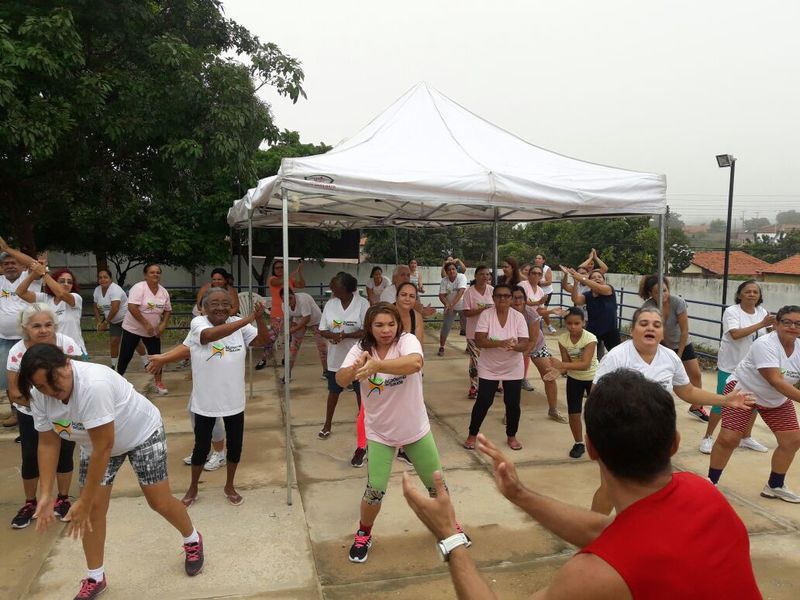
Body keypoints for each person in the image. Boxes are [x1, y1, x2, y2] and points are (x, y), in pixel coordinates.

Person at [402, 369, 761, 599]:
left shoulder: (596, 575)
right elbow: (612, 531)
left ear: (590, 448)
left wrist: (449, 535)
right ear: (675, 443)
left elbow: (617, 544)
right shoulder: (702, 492)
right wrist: (519, 494)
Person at [19, 344, 204, 598]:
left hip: (141, 434)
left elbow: (104, 447)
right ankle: (95, 577)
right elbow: (49, 442)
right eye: (41, 386)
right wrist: (45, 494)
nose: (51, 392)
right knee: (93, 511)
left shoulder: (94, 385)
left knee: (158, 501)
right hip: (93, 443)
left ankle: (192, 538)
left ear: (67, 363)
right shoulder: (39, 395)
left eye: (54, 380)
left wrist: (83, 500)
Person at [592, 306, 754, 513]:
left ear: (662, 333)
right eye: (643, 324)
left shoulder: (670, 358)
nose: (650, 328)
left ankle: (634, 532)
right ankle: (596, 534)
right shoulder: (617, 357)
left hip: (655, 433)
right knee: (611, 488)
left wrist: (725, 400)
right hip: (618, 431)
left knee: (649, 488)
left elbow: (687, 391)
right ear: (632, 330)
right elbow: (597, 396)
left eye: (656, 325)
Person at [337, 302, 464, 563]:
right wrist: (356, 368)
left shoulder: (406, 341)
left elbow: (415, 364)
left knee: (436, 486)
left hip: (415, 430)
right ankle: (364, 532)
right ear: (369, 327)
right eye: (379, 325)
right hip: (380, 433)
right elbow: (340, 379)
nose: (386, 330)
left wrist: (377, 366)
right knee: (375, 490)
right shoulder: (360, 349)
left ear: (399, 325)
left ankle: (448, 525)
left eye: (391, 324)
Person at [149, 289, 269, 506]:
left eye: (226, 303)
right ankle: (193, 487)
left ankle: (230, 486)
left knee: (235, 448)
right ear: (203, 307)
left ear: (232, 306)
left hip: (234, 402)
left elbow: (262, 340)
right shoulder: (199, 324)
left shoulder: (238, 324)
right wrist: (248, 319)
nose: (220, 307)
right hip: (206, 403)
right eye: (214, 303)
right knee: (200, 449)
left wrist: (259, 321)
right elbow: (208, 337)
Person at [708, 305, 800, 503]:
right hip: (743, 391)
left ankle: (775, 485)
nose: (793, 326)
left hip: (776, 398)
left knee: (792, 440)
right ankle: (711, 482)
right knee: (729, 438)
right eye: (787, 322)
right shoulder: (764, 344)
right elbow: (775, 380)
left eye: (798, 323)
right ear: (776, 324)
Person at [6, 303, 80, 529]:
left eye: (48, 325)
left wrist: (56, 401)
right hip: (30, 412)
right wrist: (42, 404)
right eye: (36, 326)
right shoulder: (17, 351)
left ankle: (63, 498)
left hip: (65, 410)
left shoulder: (66, 344)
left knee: (65, 452)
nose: (43, 330)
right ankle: (30, 502)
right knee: (31, 456)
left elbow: (79, 377)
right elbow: (14, 391)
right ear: (25, 328)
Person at [701, 280, 773, 454]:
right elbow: (735, 334)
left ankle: (745, 437)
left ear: (759, 296)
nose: (752, 294)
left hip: (754, 368)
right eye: (747, 291)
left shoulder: (761, 312)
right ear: (740, 294)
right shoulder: (732, 312)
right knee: (721, 402)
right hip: (731, 365)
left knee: (752, 402)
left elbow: (769, 334)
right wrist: (761, 324)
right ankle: (708, 437)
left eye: (755, 292)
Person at [463, 283, 529, 451]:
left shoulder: (518, 317)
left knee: (513, 403)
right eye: (498, 295)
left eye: (506, 296)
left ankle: (512, 435)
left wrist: (515, 346)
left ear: (511, 299)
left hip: (513, 366)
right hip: (489, 366)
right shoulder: (486, 315)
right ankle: (472, 434)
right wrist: (501, 343)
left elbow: (525, 343)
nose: (502, 299)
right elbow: (479, 340)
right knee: (484, 400)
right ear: (493, 298)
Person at [639, 275, 709, 423]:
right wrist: (664, 348)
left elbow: (684, 331)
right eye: (657, 292)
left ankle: (697, 407)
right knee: (659, 377)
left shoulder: (678, 302)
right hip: (660, 344)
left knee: (695, 374)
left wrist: (679, 354)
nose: (663, 294)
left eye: (665, 290)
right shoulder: (647, 307)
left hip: (682, 343)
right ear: (651, 293)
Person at [318, 272, 369, 440]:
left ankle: (364, 425)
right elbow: (322, 329)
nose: (332, 291)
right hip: (336, 358)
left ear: (347, 289)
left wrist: (346, 335)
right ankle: (327, 424)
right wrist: (332, 336)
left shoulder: (362, 304)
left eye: (336, 288)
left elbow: (366, 331)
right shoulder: (331, 304)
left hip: (357, 357)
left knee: (359, 393)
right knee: (333, 391)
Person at [8, 249, 87, 356]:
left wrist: (43, 273)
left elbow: (61, 294)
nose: (66, 284)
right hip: (51, 353)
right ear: (54, 281)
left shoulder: (75, 298)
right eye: (62, 281)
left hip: (73, 351)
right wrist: (35, 273)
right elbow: (20, 292)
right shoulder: (46, 299)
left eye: (70, 282)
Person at [546, 307, 598, 458]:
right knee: (573, 412)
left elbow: (585, 364)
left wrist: (561, 366)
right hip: (574, 379)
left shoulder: (590, 339)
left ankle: (598, 442)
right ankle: (579, 443)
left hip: (593, 378)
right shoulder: (563, 339)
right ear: (565, 323)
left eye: (577, 323)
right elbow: (566, 363)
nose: (573, 327)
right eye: (569, 323)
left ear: (583, 323)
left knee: (596, 413)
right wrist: (557, 371)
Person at [0, 243, 43, 428]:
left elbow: (36, 265)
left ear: (21, 266)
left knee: (34, 375)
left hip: (29, 340)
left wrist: (8, 249)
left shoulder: (30, 277)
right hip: (4, 340)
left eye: (13, 262)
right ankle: (16, 412)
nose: (10, 265)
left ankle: (38, 409)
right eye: (6, 263)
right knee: (9, 379)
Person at [511, 285, 567, 424]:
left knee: (549, 377)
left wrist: (522, 356)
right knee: (511, 382)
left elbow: (533, 340)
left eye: (520, 298)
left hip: (536, 346)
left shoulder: (531, 314)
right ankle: (510, 412)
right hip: (516, 346)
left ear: (525, 300)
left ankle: (553, 410)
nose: (517, 301)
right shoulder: (506, 313)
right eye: (513, 297)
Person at [116, 263, 171, 394]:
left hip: (153, 331)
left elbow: (168, 310)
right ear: (145, 275)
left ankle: (158, 383)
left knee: (157, 357)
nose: (155, 275)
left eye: (158, 272)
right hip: (133, 328)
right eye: (152, 272)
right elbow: (132, 307)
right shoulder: (139, 288)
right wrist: (146, 324)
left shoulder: (163, 292)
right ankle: (117, 381)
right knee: (125, 355)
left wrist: (163, 325)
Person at [92, 268, 146, 371]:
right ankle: (113, 365)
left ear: (111, 279)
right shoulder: (97, 290)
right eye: (100, 278)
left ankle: (146, 362)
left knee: (135, 343)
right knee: (114, 342)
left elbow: (115, 308)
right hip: (113, 321)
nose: (103, 279)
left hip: (127, 319)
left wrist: (105, 323)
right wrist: (99, 322)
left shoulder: (115, 289)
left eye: (105, 277)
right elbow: (95, 306)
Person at [257, 258, 305, 370]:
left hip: (291, 313)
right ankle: (263, 359)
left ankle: (285, 358)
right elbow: (279, 282)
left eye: (281, 267)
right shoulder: (272, 279)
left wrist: (300, 272)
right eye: (277, 268)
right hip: (277, 314)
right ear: (273, 270)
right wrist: (292, 272)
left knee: (289, 337)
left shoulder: (289, 279)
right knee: (272, 338)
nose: (279, 269)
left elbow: (302, 284)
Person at [564, 265, 620, 359]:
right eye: (593, 277)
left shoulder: (608, 289)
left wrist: (581, 277)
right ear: (590, 282)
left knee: (618, 355)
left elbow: (598, 288)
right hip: (593, 330)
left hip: (610, 329)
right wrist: (576, 282)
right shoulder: (588, 295)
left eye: (599, 277)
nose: (597, 278)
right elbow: (576, 299)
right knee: (590, 357)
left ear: (604, 280)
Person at [462, 266, 493, 400]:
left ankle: (494, 384)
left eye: (487, 274)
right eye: (481, 274)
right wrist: (482, 309)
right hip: (473, 333)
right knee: (475, 361)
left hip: (490, 332)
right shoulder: (469, 292)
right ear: (475, 276)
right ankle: (474, 387)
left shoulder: (492, 291)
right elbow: (466, 313)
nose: (484, 277)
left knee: (491, 359)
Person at [283, 287, 327, 377]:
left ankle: (326, 371)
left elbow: (306, 319)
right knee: (293, 347)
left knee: (322, 347)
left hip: (316, 321)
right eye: (285, 299)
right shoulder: (284, 305)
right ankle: (287, 374)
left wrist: (292, 330)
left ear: (294, 295)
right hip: (299, 321)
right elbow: (289, 319)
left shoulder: (303, 300)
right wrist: (287, 330)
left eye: (290, 298)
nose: (288, 301)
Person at [437, 262, 467, 357]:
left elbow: (461, 291)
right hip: (450, 306)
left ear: (456, 269)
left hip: (463, 305)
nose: (451, 271)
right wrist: (447, 304)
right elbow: (441, 295)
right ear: (446, 272)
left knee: (467, 327)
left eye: (453, 269)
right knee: (446, 326)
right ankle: (441, 346)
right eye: (449, 269)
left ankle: (469, 346)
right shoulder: (444, 281)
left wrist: (451, 304)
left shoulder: (461, 277)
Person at [534, 253, 557, 334]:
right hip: (536, 292)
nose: (537, 260)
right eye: (536, 258)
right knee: (536, 310)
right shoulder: (533, 269)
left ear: (543, 260)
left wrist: (538, 282)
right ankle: (539, 327)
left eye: (539, 258)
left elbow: (549, 282)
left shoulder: (547, 269)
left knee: (543, 310)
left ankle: (548, 326)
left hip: (546, 292)